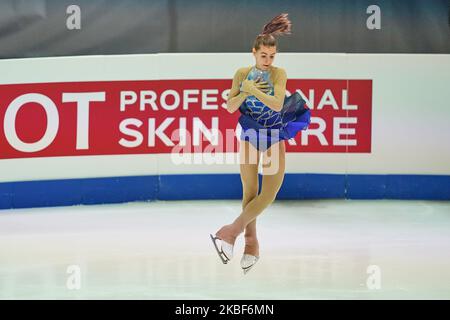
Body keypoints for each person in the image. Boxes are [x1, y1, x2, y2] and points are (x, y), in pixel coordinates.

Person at [210, 13, 311, 274]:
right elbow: (231, 106)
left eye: (271, 56)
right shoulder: (241, 73)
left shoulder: (279, 74)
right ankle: (250, 242)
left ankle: (230, 231)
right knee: (250, 191)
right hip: (250, 131)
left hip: (274, 131)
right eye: (263, 55)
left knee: (270, 193)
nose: (267, 61)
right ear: (253, 53)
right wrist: (244, 88)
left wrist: (253, 90)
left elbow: (277, 104)